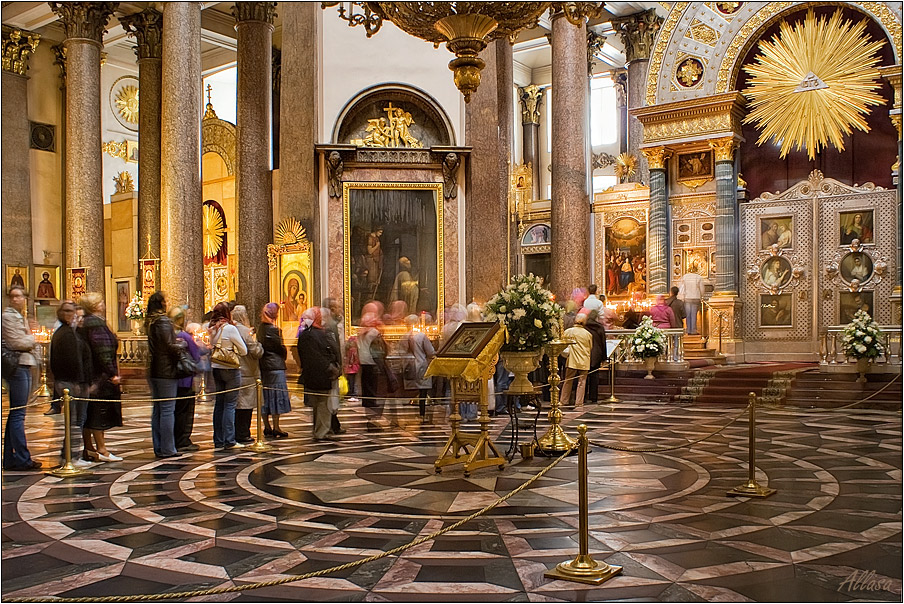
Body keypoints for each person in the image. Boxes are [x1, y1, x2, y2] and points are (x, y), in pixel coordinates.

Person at [79, 292, 123, 462]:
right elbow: (103, 350)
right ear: (97, 306)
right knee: (99, 412)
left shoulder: (83, 323)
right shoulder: (96, 324)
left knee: (89, 413)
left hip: (89, 375)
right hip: (100, 376)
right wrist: (113, 373)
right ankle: (102, 449)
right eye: (101, 302)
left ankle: (89, 448)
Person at [2, 285, 42, 471]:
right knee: (19, 413)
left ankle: (10, 459)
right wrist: (33, 339)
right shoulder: (7, 316)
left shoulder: (21, 316)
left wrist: (30, 339)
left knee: (16, 412)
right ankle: (23, 459)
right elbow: (17, 342)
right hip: (17, 366)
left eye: (20, 296)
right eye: (14, 296)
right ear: (10, 298)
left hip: (24, 364)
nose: (17, 299)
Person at [50, 301, 92, 468]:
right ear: (61, 313)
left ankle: (70, 454)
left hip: (76, 382)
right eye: (67, 311)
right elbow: (69, 361)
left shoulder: (72, 333)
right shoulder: (65, 334)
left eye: (73, 311)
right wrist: (75, 382)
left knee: (77, 421)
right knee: (74, 421)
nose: (71, 314)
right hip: (72, 383)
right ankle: (71, 456)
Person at [145, 292, 184, 459]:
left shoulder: (150, 321)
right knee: (168, 410)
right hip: (166, 370)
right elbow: (169, 346)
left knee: (158, 410)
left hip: (154, 369)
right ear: (161, 303)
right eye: (166, 300)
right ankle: (168, 448)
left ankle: (159, 446)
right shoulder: (163, 321)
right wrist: (182, 345)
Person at [296, 307, 342, 442]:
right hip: (321, 375)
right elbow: (319, 355)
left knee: (318, 404)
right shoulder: (316, 334)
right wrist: (332, 367)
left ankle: (319, 430)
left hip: (312, 374)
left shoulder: (305, 334)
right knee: (322, 405)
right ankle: (321, 432)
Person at [208, 302, 248, 450]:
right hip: (230, 369)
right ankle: (229, 439)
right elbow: (244, 350)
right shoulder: (230, 328)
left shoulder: (211, 329)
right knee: (230, 405)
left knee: (219, 404)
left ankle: (218, 439)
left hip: (216, 367)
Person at [169, 307, 200, 452]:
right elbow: (196, 355)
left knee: (174, 410)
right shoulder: (185, 336)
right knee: (185, 411)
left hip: (171, 378)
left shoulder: (167, 335)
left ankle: (174, 439)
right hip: (185, 378)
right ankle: (183, 440)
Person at [258, 303, 291, 438]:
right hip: (275, 366)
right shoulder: (274, 329)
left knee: (265, 396)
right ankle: (276, 426)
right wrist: (284, 352)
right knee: (276, 396)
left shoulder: (260, 328)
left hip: (264, 366)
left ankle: (267, 426)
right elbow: (280, 348)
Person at [232, 306, 263, 444]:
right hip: (247, 372)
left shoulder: (229, 329)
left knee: (235, 405)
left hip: (234, 370)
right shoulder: (245, 332)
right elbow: (256, 351)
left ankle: (233, 432)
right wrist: (259, 344)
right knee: (245, 406)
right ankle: (243, 433)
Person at [401, 314, 436, 422]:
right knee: (423, 391)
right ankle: (422, 413)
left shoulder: (405, 336)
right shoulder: (421, 336)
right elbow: (430, 352)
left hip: (409, 365)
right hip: (420, 364)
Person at [322, 298, 347, 435]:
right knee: (330, 397)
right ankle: (331, 424)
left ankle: (333, 423)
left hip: (336, 364)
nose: (339, 310)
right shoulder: (328, 325)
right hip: (331, 366)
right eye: (336, 307)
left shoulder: (337, 323)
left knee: (334, 397)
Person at [560, 314, 592, 407]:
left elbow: (562, 345)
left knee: (568, 381)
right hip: (584, 360)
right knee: (582, 382)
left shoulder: (568, 331)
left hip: (572, 360)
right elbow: (590, 347)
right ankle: (579, 402)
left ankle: (563, 400)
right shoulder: (588, 334)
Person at [584, 309, 607, 405]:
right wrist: (604, 357)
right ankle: (593, 397)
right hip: (597, 353)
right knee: (594, 376)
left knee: (584, 376)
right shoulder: (600, 328)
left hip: (586, 352)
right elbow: (603, 343)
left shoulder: (584, 327)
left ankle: (583, 396)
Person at [680, 267, 707, 335]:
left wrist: (682, 296)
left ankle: (688, 329)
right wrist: (702, 296)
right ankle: (693, 330)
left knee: (688, 314)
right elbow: (701, 288)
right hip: (695, 297)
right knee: (694, 314)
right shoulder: (698, 277)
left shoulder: (685, 277)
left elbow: (682, 288)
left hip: (687, 297)